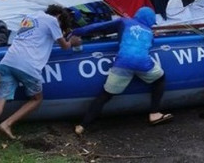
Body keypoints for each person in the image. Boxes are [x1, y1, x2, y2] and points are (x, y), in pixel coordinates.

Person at [0, 5, 82, 156]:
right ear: (59, 15)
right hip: (28, 65)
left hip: (8, 61)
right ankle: (7, 124)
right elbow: (65, 46)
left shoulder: (30, 17)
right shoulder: (52, 20)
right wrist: (73, 42)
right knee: (36, 99)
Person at [74, 7, 172, 136]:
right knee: (160, 79)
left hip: (122, 63)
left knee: (105, 95)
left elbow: (100, 27)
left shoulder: (124, 21)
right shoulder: (149, 32)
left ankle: (82, 125)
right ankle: (154, 113)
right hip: (143, 63)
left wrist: (77, 31)